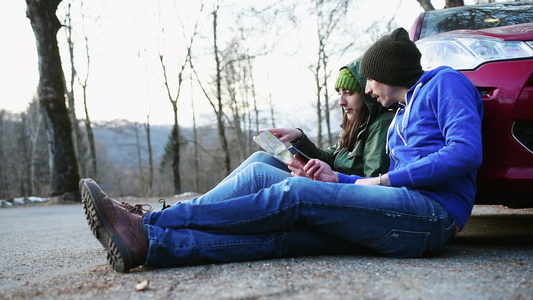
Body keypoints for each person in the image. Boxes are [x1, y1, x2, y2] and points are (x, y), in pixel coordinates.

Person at [80, 27, 483, 273]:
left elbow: (465, 152)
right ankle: (152, 245)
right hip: (401, 211)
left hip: (432, 215)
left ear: (385, 74)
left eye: (367, 81)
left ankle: (151, 224)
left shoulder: (445, 84)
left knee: (293, 194)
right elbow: (373, 182)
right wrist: (335, 177)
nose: (367, 89)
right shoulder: (401, 114)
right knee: (288, 234)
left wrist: (375, 179)